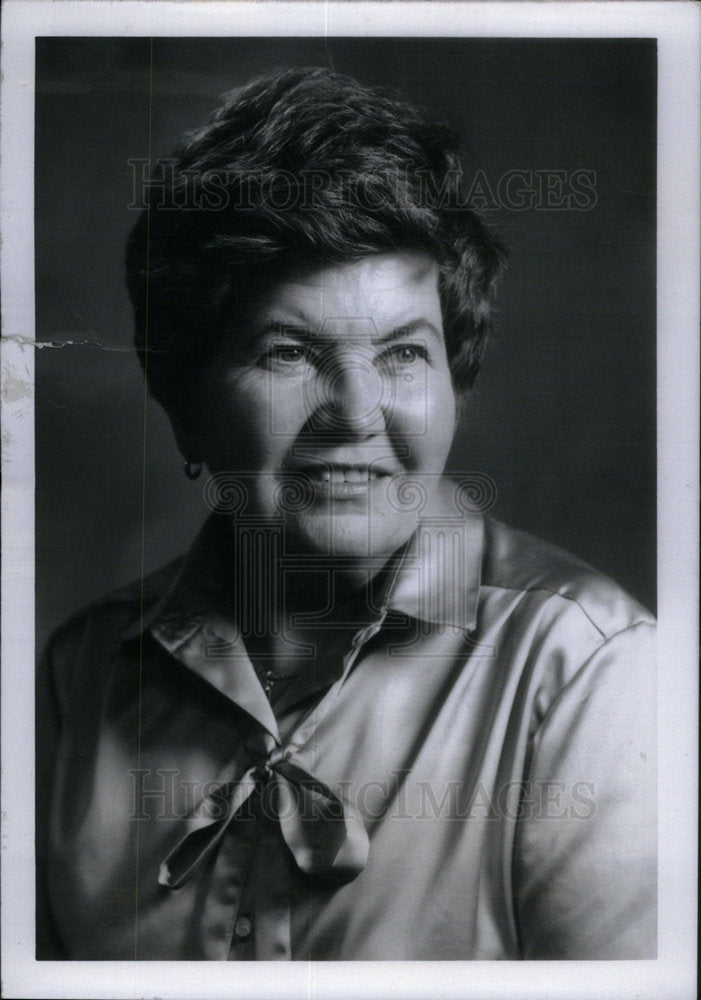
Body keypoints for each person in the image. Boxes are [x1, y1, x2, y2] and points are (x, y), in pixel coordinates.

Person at [36, 66, 656, 960]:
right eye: (290, 351)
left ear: (456, 382)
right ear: (183, 395)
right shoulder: (79, 676)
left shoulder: (587, 675)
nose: (357, 415)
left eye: (404, 353)